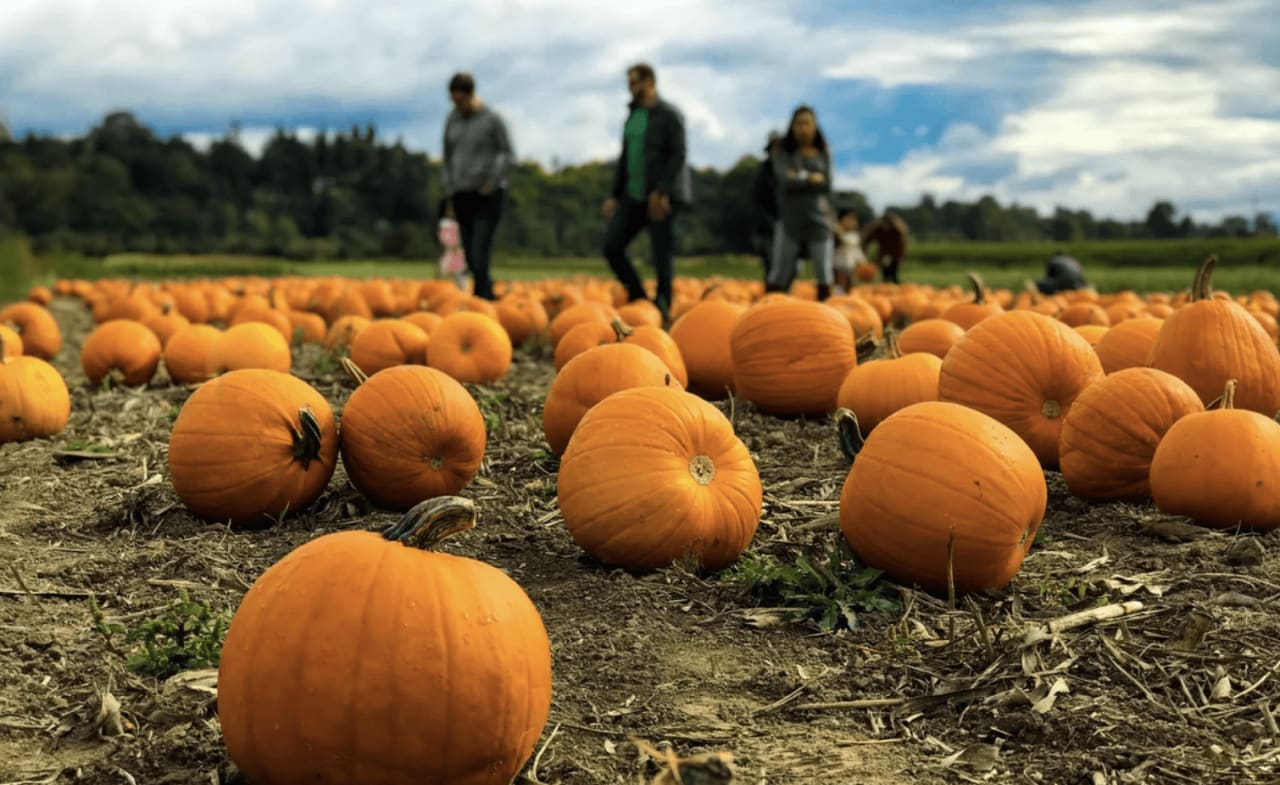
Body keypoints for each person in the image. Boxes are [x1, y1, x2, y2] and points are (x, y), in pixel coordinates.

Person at [601, 62, 692, 324]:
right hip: (633, 194)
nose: (631, 89)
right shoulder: (633, 116)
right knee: (612, 246)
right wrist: (614, 195)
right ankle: (639, 296)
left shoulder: (669, 114)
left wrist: (662, 190)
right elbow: (625, 158)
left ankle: (662, 306)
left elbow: (678, 155)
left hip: (662, 195)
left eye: (635, 82)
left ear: (650, 82)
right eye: (629, 84)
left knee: (661, 251)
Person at [441, 71, 516, 301]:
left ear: (471, 94)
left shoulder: (491, 119)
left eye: (461, 100)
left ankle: (482, 300)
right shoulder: (452, 121)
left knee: (479, 250)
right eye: (454, 101)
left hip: (488, 194)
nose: (458, 105)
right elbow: (447, 157)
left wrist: (492, 181)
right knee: (470, 257)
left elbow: (508, 154)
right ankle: (486, 294)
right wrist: (448, 192)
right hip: (462, 194)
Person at [766, 104, 835, 300]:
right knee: (780, 271)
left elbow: (828, 182)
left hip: (819, 219)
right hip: (790, 219)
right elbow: (784, 180)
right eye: (799, 124)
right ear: (792, 126)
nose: (803, 128)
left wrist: (799, 176)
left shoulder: (823, 151)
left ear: (815, 126)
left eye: (807, 124)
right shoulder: (782, 150)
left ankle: (828, 315)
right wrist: (811, 178)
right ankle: (769, 311)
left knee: (824, 271)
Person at [750, 131, 783, 283]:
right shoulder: (763, 171)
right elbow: (757, 199)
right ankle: (772, 292)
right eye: (775, 147)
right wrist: (766, 221)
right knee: (771, 263)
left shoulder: (789, 170)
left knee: (788, 265)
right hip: (768, 224)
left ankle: (784, 295)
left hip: (788, 224)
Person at [861, 212, 909, 284]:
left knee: (894, 275)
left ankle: (895, 289)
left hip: (895, 256)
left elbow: (901, 246)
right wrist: (864, 250)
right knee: (885, 276)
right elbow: (867, 239)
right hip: (883, 256)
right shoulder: (879, 230)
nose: (886, 226)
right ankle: (887, 289)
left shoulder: (897, 232)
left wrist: (898, 258)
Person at [831, 208, 866, 294]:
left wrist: (863, 263)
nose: (852, 221)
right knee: (838, 290)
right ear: (840, 219)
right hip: (836, 268)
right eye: (849, 218)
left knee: (848, 289)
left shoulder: (854, 236)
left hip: (849, 268)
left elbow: (857, 252)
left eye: (854, 219)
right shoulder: (833, 233)